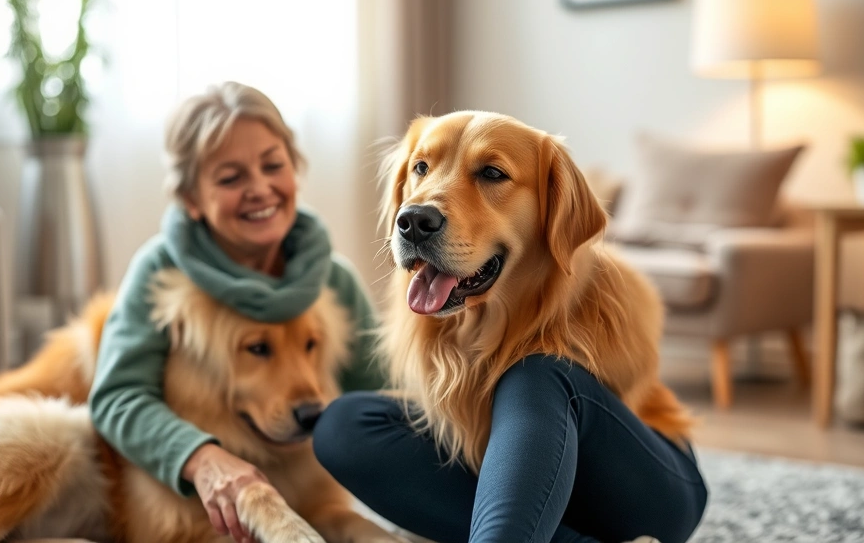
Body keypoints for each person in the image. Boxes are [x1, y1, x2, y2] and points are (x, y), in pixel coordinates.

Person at [89, 81, 384, 543]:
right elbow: (117, 397)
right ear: (191, 198)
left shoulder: (333, 278)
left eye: (273, 165)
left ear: (295, 170)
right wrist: (205, 460)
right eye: (230, 178)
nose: (260, 188)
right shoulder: (160, 272)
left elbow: (381, 395)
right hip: (188, 487)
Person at [314, 353, 709, 543]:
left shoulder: (596, 281)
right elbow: (385, 385)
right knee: (343, 423)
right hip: (507, 482)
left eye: (491, 181)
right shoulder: (424, 291)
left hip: (640, 485)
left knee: (535, 373)